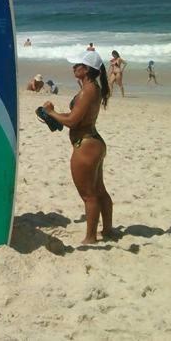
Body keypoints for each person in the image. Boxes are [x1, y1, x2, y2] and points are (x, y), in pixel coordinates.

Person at [40, 51, 113, 245]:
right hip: (94, 141)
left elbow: (72, 121)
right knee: (99, 191)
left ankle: (90, 237)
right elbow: (77, 116)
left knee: (89, 196)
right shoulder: (92, 88)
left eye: (77, 65)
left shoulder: (88, 90)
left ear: (87, 69)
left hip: (85, 146)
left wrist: (50, 112)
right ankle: (108, 230)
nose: (73, 67)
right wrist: (54, 115)